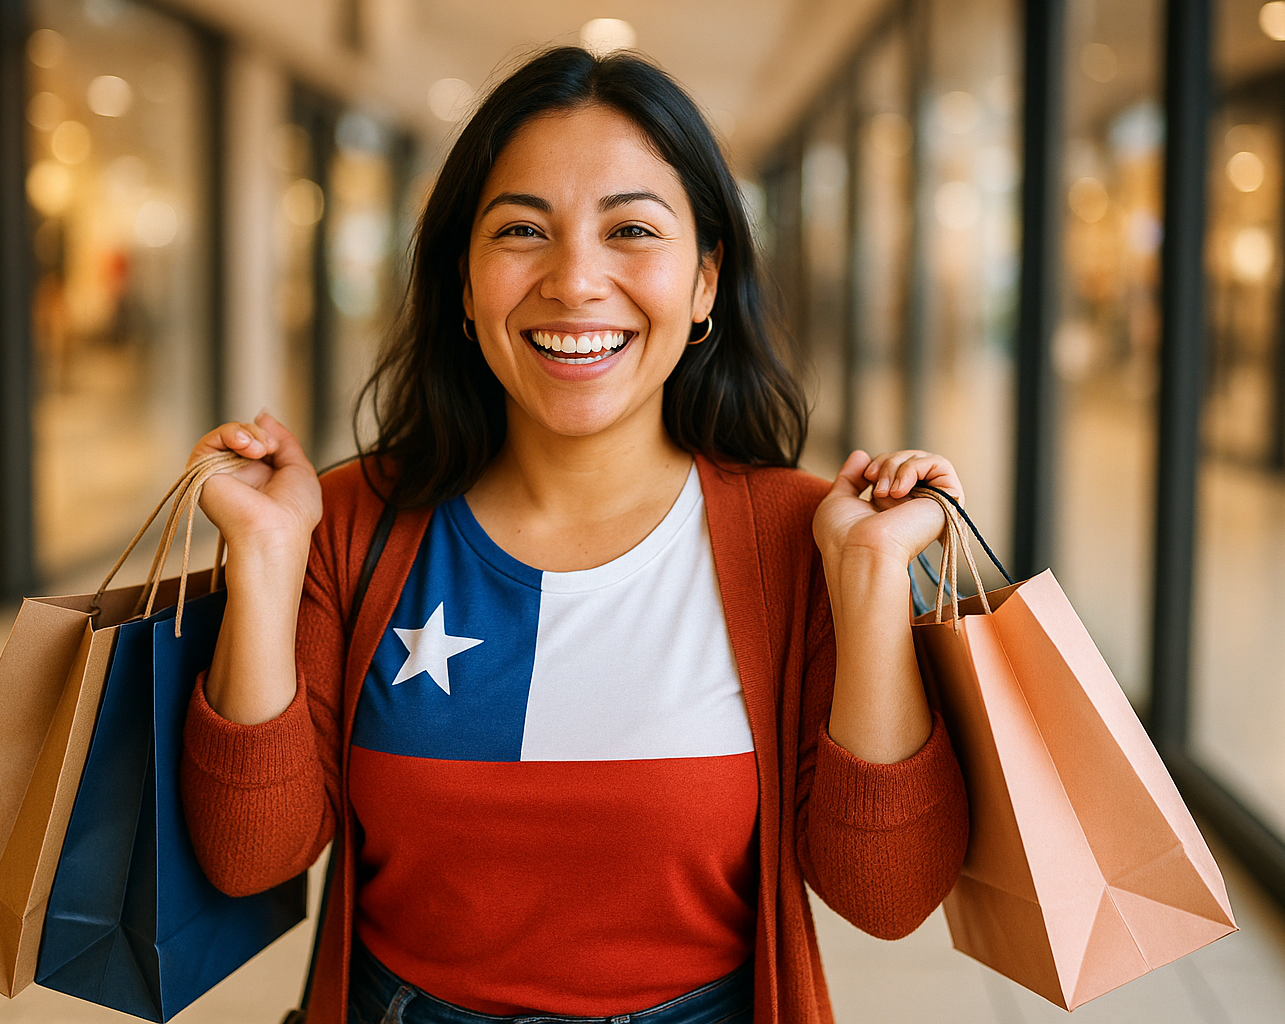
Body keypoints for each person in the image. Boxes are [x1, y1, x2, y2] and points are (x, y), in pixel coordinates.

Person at [181, 46, 969, 1024]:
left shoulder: (800, 537)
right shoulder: (348, 521)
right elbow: (252, 856)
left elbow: (887, 897)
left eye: (631, 229)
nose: (576, 280)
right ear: (463, 282)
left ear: (706, 280)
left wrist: (873, 578)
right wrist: (265, 558)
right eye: (522, 230)